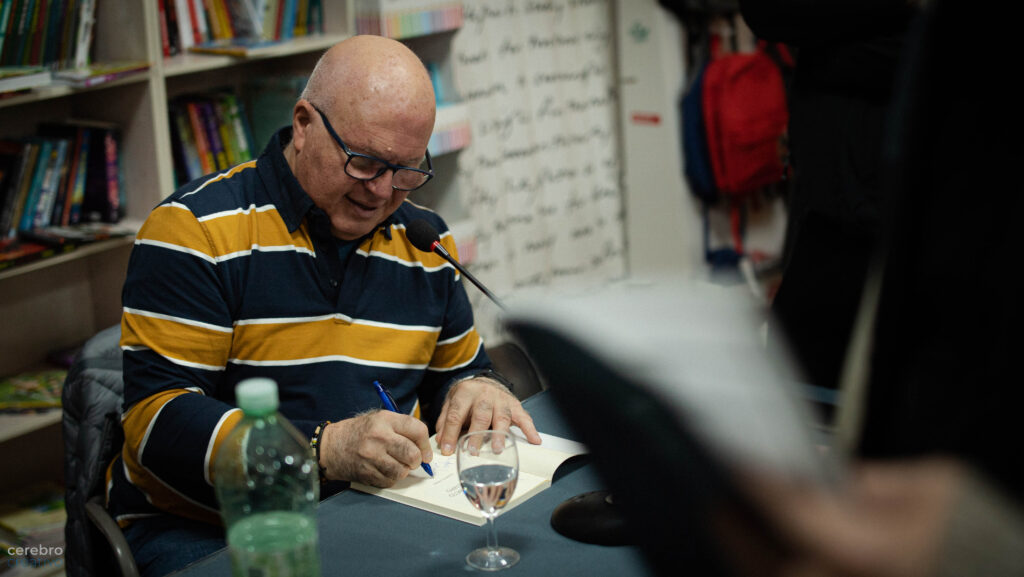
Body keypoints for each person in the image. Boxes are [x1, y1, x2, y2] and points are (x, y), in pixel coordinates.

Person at [107, 35, 541, 577]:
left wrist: (479, 388)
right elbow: (156, 421)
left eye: (407, 170)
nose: (381, 192)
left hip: (380, 510)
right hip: (211, 526)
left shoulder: (425, 242)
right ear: (304, 124)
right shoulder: (195, 231)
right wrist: (321, 449)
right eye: (365, 163)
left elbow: (459, 376)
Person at [738, 0, 918, 400]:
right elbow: (766, 12)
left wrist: (822, 48)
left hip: (923, 234)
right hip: (828, 221)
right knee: (793, 395)